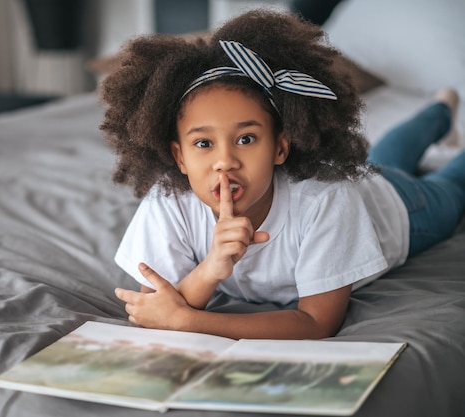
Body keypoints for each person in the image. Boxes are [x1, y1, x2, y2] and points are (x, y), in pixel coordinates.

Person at [99, 10, 465, 340]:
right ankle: (440, 108)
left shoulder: (325, 200)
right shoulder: (169, 200)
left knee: (448, 186)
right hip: (369, 181)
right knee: (387, 157)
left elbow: (317, 323)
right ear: (179, 156)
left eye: (246, 138)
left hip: (400, 209)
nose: (224, 161)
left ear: (280, 147)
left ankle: (440, 114)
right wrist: (211, 268)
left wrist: (193, 322)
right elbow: (160, 305)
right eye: (203, 144)